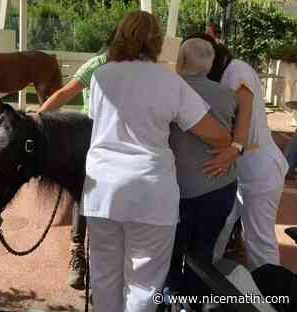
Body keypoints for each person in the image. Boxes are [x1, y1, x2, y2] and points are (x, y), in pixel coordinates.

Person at [81, 11, 232, 312]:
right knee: (144, 285)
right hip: (151, 194)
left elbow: (97, 121)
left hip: (101, 193)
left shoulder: (100, 76)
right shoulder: (169, 80)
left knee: (103, 279)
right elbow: (216, 135)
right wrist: (233, 144)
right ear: (157, 42)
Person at [197, 36, 289, 271]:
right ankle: (208, 284)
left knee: (259, 240)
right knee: (219, 227)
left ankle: (272, 299)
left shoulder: (237, 71)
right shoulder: (224, 73)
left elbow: (243, 117)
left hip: (259, 170)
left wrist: (233, 148)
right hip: (240, 171)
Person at [38, 28, 117, 290]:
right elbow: (63, 94)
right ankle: (77, 253)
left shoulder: (138, 68)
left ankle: (109, 260)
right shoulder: (97, 64)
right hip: (90, 135)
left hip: (120, 141)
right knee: (84, 191)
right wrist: (36, 120)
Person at [167, 38, 239, 296]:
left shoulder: (168, 89)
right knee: (203, 254)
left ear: (180, 61)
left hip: (176, 190)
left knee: (170, 256)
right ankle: (195, 301)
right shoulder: (228, 95)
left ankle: (171, 299)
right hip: (220, 187)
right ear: (208, 66)